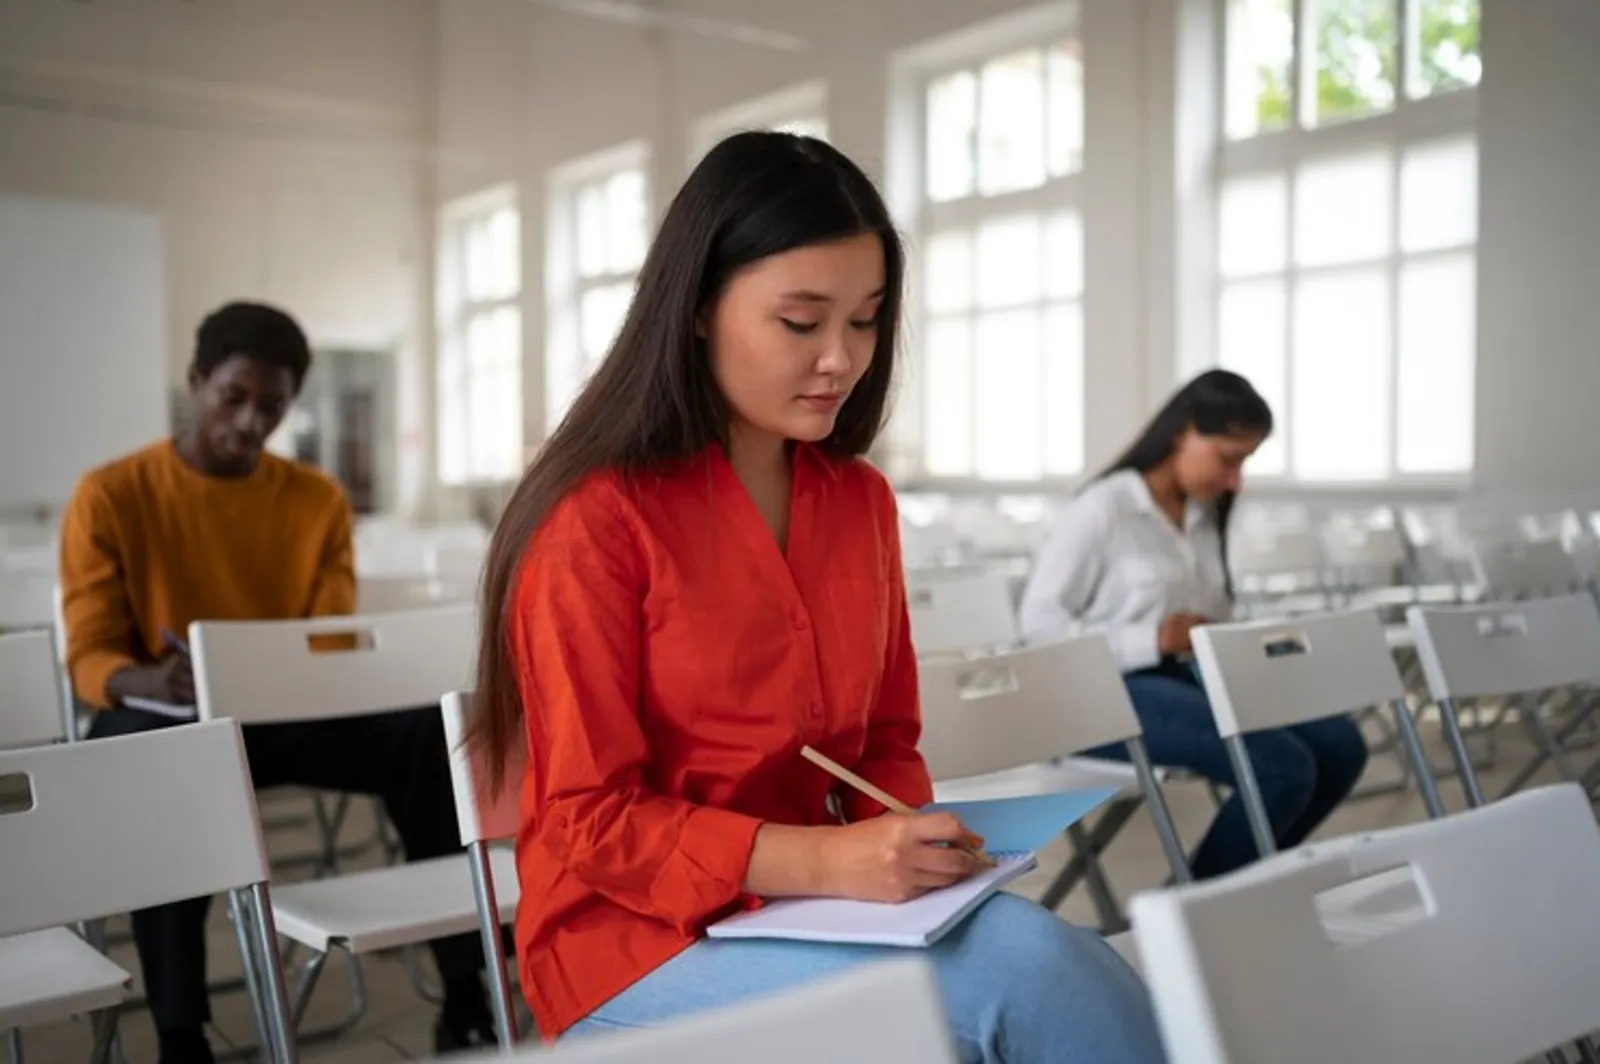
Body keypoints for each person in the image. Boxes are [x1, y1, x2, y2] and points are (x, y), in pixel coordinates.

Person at [464, 132, 1166, 1064]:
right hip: (634, 945)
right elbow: (587, 820)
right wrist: (828, 862)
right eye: (802, 323)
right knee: (1030, 977)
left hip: (821, 907)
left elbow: (882, 742)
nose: (843, 359)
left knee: (1053, 964)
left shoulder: (858, 502)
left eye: (868, 320)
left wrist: (902, 842)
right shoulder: (595, 522)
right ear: (699, 309)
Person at [59, 301, 497, 1064]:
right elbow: (92, 656)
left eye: (272, 405)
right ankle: (179, 1033)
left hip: (286, 710)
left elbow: (324, 636)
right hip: (172, 719)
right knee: (166, 764)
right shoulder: (112, 494)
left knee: (426, 733)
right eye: (233, 397)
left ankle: (467, 990)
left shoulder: (316, 500)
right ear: (196, 383)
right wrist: (150, 676)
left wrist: (257, 669)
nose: (250, 421)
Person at [1018, 369, 1369, 880]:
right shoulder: (1104, 509)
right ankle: (1194, 910)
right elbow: (1038, 627)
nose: (1235, 481)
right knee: (1278, 765)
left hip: (1184, 681)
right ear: (1183, 432)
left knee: (1341, 744)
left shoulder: (1203, 516)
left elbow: (1216, 615)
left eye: (1245, 463)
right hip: (1098, 697)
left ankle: (1247, 882)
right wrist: (1153, 638)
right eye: (1229, 459)